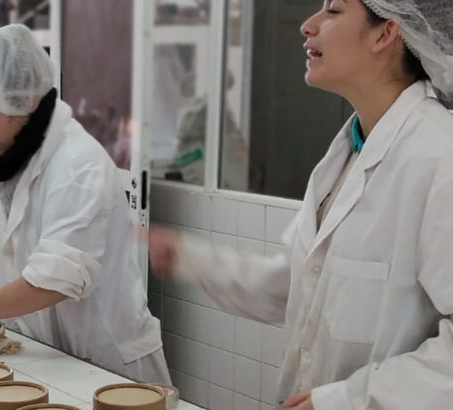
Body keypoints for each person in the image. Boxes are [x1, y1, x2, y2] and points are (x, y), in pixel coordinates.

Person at [150, 0, 453, 408]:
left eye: (333, 10)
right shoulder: (346, 154)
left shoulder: (439, 157)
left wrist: (345, 400)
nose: (307, 26)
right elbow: (298, 285)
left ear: (386, 33)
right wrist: (190, 258)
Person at [0, 24, 170, 385]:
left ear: (23, 102)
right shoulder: (19, 157)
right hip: (52, 354)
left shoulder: (77, 166)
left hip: (106, 363)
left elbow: (53, 282)